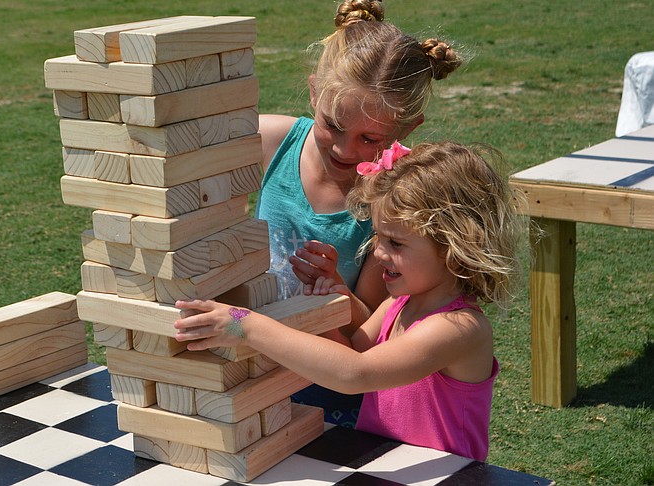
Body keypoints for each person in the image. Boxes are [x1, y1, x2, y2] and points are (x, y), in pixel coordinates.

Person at [175, 141, 525, 461]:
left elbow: (354, 373)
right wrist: (330, 307)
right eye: (378, 237)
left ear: (453, 249)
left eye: (396, 243)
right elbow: (353, 350)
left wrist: (244, 325)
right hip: (386, 466)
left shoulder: (459, 329)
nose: (378, 252)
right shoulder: (401, 303)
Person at [256, 0, 462, 426]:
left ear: (408, 127)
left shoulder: (393, 196)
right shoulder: (269, 142)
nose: (346, 150)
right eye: (333, 125)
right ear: (314, 94)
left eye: (370, 138)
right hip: (253, 367)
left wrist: (335, 287)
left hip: (334, 390)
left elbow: (370, 325)